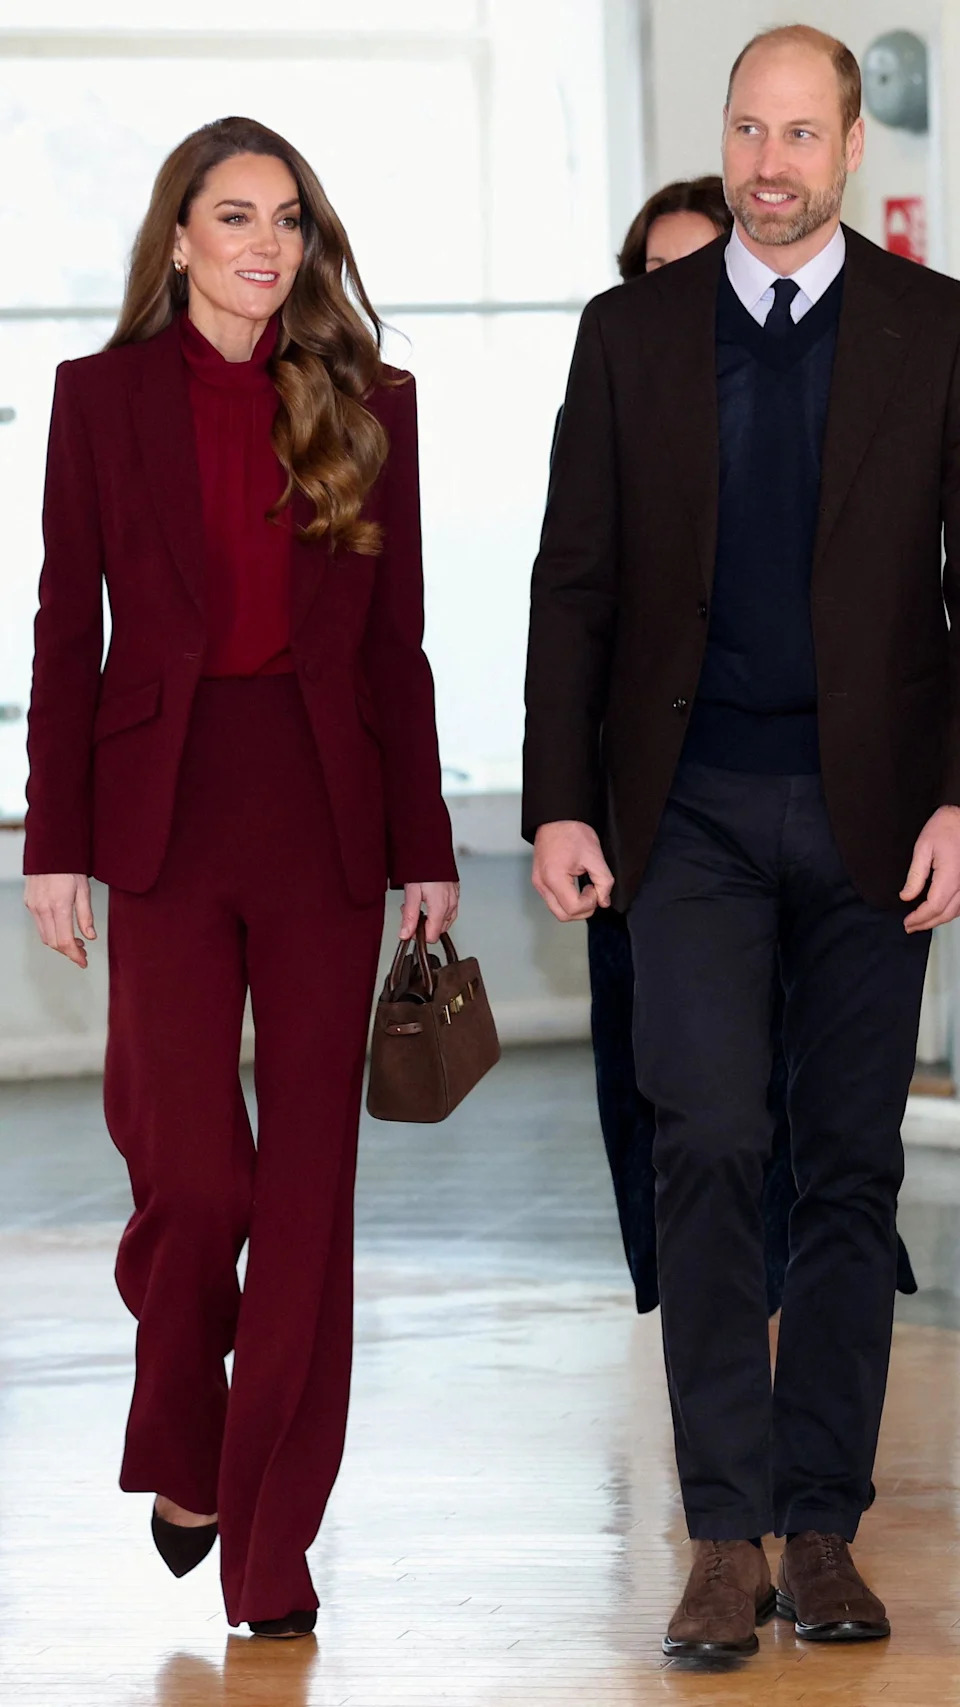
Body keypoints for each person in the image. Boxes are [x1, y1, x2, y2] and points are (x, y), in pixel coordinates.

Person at [524, 24, 960, 1660]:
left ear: (852, 149)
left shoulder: (935, 331)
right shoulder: (630, 335)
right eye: (747, 129)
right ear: (730, 138)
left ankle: (824, 1527)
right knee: (706, 1143)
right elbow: (574, 581)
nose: (771, 161)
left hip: (875, 819)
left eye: (801, 131)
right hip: (686, 811)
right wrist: (562, 797)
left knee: (847, 1168)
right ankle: (723, 1534)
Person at [23, 115, 458, 1638]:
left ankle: (272, 1539)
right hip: (161, 811)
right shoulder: (98, 398)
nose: (265, 242)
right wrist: (52, 837)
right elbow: (65, 622)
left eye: (288, 219)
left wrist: (428, 848)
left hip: (328, 811)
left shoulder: (371, 399)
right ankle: (184, 1429)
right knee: (197, 1170)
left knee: (309, 1194)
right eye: (234, 216)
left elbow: (397, 647)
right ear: (181, 238)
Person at [578, 178, 916, 1322]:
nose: (677, 296)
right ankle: (697, 1328)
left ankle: (796, 1366)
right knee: (683, 1109)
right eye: (652, 277)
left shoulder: (876, 351)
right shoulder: (622, 379)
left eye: (695, 268)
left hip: (830, 802)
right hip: (661, 808)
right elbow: (576, 598)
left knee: (818, 1115)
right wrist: (567, 803)